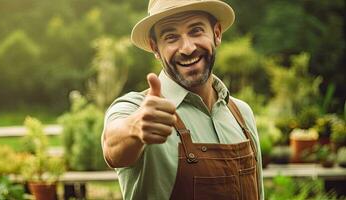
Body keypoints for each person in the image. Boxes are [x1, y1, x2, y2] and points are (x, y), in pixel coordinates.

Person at [101, 0, 264, 199]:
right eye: (171, 37)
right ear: (155, 48)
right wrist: (135, 128)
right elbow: (112, 146)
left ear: (217, 34)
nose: (187, 48)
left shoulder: (242, 114)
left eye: (196, 31)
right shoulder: (138, 108)